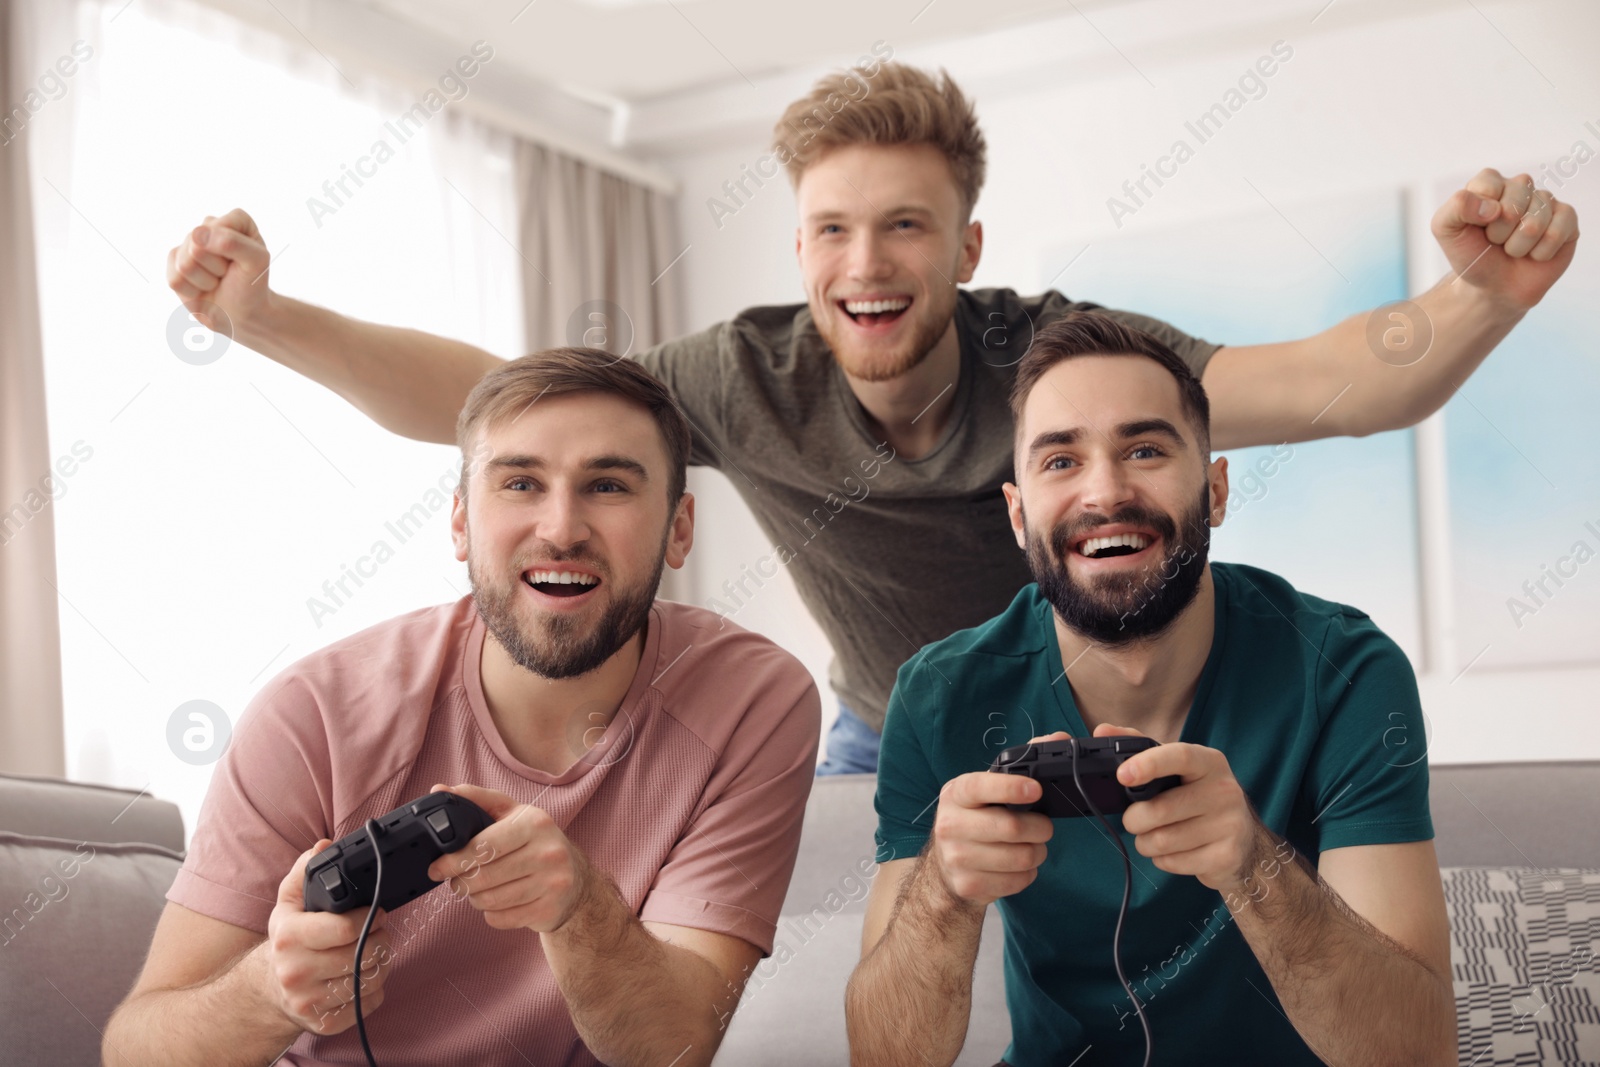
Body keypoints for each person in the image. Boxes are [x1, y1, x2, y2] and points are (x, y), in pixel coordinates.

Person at [164, 62, 1579, 775]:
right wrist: (268, 319)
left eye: (904, 226)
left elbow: (1340, 382)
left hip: (1109, 723)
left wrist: (1483, 298)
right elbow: (495, 403)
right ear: (796, 251)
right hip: (884, 737)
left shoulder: (1061, 357)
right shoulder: (740, 373)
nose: (865, 263)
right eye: (831, 229)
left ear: (965, 249)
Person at [102, 350, 821, 1067]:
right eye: (519, 482)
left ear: (679, 528)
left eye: (607, 485)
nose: (562, 527)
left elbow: (675, 1048)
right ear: (459, 522)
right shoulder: (313, 714)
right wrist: (266, 991)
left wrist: (579, 910)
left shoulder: (753, 703)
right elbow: (134, 1051)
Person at [846, 312, 1452, 1066]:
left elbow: (1418, 1052)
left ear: (1217, 487)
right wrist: (943, 892)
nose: (1105, 491)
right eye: (1060, 461)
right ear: (1017, 513)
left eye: (1144, 448)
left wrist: (1253, 868)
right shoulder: (940, 695)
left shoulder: (1346, 671)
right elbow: (883, 1057)